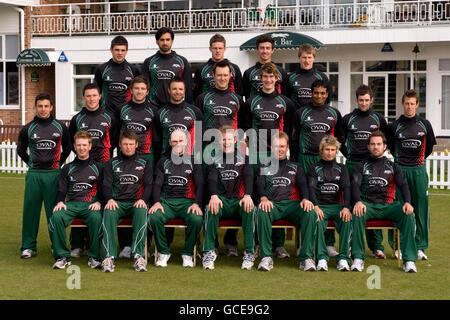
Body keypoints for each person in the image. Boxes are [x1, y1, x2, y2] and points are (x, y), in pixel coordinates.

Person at [241, 62, 296, 259]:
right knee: (258, 195)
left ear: (277, 79)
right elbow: (246, 128)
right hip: (256, 154)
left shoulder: (286, 103)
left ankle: (278, 244)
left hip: (276, 155)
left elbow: (288, 130)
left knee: (277, 195)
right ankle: (257, 242)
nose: (268, 80)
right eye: (265, 77)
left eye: (272, 77)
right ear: (260, 79)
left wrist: (281, 148)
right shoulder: (251, 102)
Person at [195, 60, 245, 256]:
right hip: (209, 150)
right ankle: (210, 242)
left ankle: (231, 242)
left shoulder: (237, 98)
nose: (222, 78)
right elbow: (197, 127)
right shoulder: (202, 98)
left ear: (230, 76)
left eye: (226, 75)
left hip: (232, 150)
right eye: (219, 75)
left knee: (233, 190)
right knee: (210, 193)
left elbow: (243, 125)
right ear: (213, 76)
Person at [351, 131, 418, 273]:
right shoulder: (361, 166)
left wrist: (407, 202)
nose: (376, 147)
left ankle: (409, 260)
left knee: (408, 215)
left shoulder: (393, 166)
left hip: (389, 206)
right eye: (373, 144)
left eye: (379, 144)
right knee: (356, 213)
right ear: (368, 146)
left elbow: (403, 185)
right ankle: (358, 258)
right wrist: (357, 201)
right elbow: (355, 186)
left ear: (385, 146)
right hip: (368, 205)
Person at [291, 79, 342, 257]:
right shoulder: (301, 113)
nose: (319, 96)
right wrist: (295, 161)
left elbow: (338, 138)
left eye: (322, 93)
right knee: (305, 201)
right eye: (316, 93)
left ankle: (328, 243)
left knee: (327, 199)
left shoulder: (334, 114)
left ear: (327, 94)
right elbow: (294, 138)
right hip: (305, 159)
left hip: (325, 160)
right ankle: (302, 242)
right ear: (311, 93)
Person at [17, 93, 71, 259]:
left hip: (54, 174)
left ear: (51, 107)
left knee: (54, 212)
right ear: (35, 107)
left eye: (46, 106)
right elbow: (20, 150)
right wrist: (32, 164)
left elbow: (68, 148)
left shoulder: (60, 127)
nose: (43, 109)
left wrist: (58, 164)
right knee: (30, 211)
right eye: (40, 106)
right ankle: (28, 246)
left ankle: (56, 246)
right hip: (34, 175)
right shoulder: (28, 128)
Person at [68, 82, 119, 258]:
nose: (91, 99)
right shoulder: (77, 119)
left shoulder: (110, 117)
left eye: (94, 95)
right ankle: (77, 244)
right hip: (82, 164)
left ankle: (101, 244)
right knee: (78, 200)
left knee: (103, 203)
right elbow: (73, 142)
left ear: (100, 97)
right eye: (88, 96)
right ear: (84, 98)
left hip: (104, 165)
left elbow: (113, 140)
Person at [255, 132, 317, 271]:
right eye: (277, 146)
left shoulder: (296, 167)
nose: (280, 149)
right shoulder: (264, 165)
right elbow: (259, 184)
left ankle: (306, 258)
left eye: (282, 146)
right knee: (262, 210)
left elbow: (303, 185)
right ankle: (266, 257)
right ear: (272, 148)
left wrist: (306, 199)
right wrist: (263, 198)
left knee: (310, 213)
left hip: (292, 205)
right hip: (273, 205)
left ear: (287, 147)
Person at [341, 84, 388, 260]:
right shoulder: (348, 119)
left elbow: (385, 140)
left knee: (373, 201)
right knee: (354, 205)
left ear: (371, 100)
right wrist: (350, 156)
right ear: (356, 100)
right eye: (361, 100)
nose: (363, 103)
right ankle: (353, 246)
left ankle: (377, 246)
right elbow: (340, 139)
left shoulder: (378, 118)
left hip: (373, 165)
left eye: (367, 100)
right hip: (353, 164)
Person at [387, 89, 436, 260]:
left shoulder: (425, 124)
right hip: (400, 170)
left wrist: (417, 161)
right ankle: (397, 246)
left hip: (419, 170)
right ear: (402, 104)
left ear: (417, 105)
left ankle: (420, 246)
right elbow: (391, 147)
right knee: (398, 208)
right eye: (406, 103)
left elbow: (429, 147)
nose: (409, 107)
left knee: (420, 209)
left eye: (412, 104)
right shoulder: (394, 126)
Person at [148, 130, 204, 268]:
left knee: (196, 219)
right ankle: (163, 252)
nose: (177, 144)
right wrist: (156, 202)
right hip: (167, 202)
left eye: (180, 141)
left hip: (188, 202)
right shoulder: (163, 161)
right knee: (154, 217)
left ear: (186, 143)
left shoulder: (193, 161)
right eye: (174, 141)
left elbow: (201, 184)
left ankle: (187, 253)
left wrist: (197, 203)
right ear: (170, 142)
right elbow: (157, 184)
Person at [202, 126, 256, 270]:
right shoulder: (212, 159)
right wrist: (213, 196)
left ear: (235, 140)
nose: (226, 142)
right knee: (211, 207)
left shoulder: (245, 159)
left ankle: (249, 253)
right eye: (223, 139)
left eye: (229, 139)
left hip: (239, 201)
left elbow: (249, 177)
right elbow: (211, 180)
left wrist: (248, 196)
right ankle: (208, 251)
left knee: (250, 208)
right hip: (222, 201)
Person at [49, 131, 103, 269]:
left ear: (90, 146)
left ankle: (94, 256)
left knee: (96, 218)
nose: (82, 148)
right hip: (71, 205)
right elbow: (61, 190)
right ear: (74, 146)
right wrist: (60, 201)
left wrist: (99, 202)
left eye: (85, 145)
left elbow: (105, 189)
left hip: (91, 205)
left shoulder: (99, 167)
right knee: (57, 216)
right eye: (79, 145)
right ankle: (62, 256)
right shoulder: (67, 168)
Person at [100, 130, 153, 272]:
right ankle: (108, 257)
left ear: (136, 145)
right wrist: (109, 199)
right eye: (125, 144)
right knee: (108, 210)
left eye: (131, 144)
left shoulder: (145, 162)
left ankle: (138, 256)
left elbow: (149, 185)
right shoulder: (111, 163)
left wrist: (143, 199)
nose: (128, 147)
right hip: (117, 203)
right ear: (119, 145)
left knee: (142, 210)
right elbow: (106, 185)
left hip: (136, 202)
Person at [307, 135, 352, 272]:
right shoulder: (314, 168)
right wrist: (315, 206)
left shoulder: (342, 168)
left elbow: (347, 188)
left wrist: (346, 208)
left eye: (333, 149)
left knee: (347, 219)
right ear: (321, 150)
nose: (330, 152)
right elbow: (311, 189)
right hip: (321, 206)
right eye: (327, 149)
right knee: (317, 219)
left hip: (337, 206)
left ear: (337, 151)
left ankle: (344, 258)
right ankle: (321, 258)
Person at [142, 27, 192, 108]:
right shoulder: (149, 62)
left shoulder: (182, 62)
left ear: (172, 41)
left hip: (176, 107)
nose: (165, 43)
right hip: (154, 107)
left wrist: (188, 107)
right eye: (162, 40)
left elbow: (188, 88)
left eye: (168, 39)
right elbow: (144, 87)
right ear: (157, 42)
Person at [154, 77, 203, 157]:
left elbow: (199, 138)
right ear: (169, 90)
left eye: (180, 89)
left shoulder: (195, 112)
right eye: (174, 89)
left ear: (184, 91)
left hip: (189, 158)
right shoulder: (160, 113)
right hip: (167, 158)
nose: (177, 92)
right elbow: (157, 141)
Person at [94, 35, 140, 115]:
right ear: (111, 50)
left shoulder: (134, 70)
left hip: (127, 115)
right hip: (106, 114)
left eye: (122, 50)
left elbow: (139, 93)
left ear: (126, 51)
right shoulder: (101, 69)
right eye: (117, 50)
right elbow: (95, 93)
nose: (120, 53)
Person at [194, 33, 243, 98]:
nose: (217, 51)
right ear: (210, 49)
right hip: (208, 105)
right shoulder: (201, 69)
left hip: (230, 104)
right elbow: (196, 94)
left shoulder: (234, 68)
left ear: (224, 49)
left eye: (220, 48)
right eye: (215, 48)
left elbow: (239, 93)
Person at [242, 34, 288, 100]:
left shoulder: (281, 72)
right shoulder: (248, 73)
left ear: (272, 50)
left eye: (268, 48)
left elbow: (285, 95)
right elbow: (247, 96)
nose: (265, 51)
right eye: (262, 48)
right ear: (257, 49)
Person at [286, 43, 328, 110]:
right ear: (299, 58)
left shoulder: (322, 77)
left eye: (309, 57)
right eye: (304, 57)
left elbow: (327, 99)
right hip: (295, 117)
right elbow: (286, 99)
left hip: (315, 117)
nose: (307, 61)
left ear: (314, 58)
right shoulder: (290, 77)